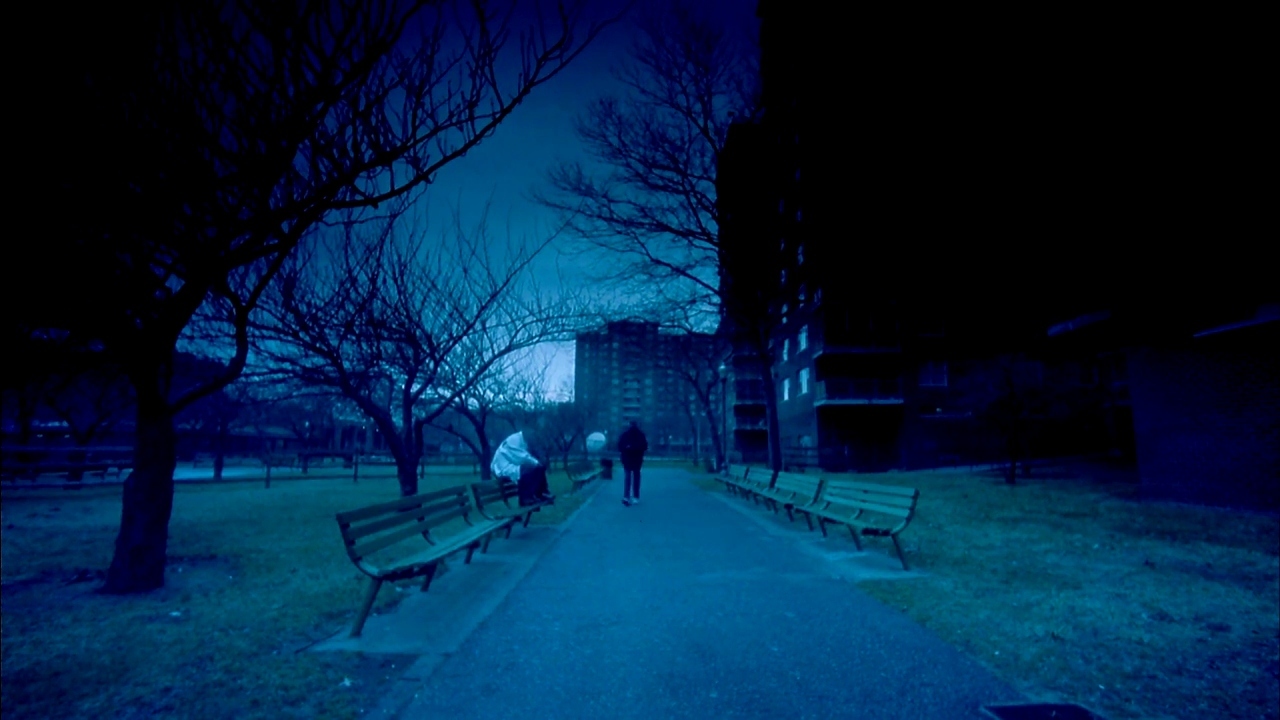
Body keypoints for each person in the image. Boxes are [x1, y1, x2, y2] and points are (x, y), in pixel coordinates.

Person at [490, 432, 554, 506]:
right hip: (501, 468)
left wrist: (538, 465)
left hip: (510, 465)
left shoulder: (521, 441)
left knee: (536, 468)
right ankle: (526, 499)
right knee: (529, 468)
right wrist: (537, 463)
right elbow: (522, 457)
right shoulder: (514, 439)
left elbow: (520, 458)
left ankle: (542, 492)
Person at [617, 421, 648, 506]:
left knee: (627, 478)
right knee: (636, 478)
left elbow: (619, 446)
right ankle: (636, 497)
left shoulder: (625, 435)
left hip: (627, 459)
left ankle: (626, 496)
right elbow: (645, 446)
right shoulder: (641, 435)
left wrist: (627, 448)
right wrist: (636, 449)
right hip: (637, 459)